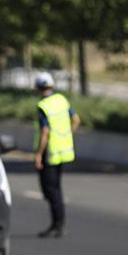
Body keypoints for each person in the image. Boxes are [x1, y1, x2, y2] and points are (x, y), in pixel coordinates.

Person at [33, 72, 80, 238]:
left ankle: (57, 225)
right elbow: (76, 120)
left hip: (50, 153)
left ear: (38, 88)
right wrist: (66, 136)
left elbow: (45, 132)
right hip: (63, 151)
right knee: (56, 189)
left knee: (51, 191)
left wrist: (38, 155)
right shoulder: (61, 100)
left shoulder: (43, 106)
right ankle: (58, 224)